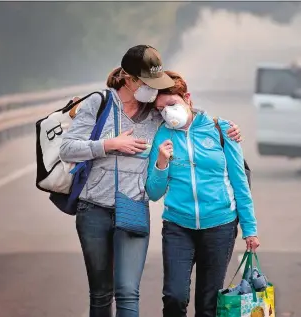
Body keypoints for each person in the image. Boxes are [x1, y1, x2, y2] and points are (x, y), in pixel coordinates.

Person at [60, 45, 242, 317]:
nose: (152, 89)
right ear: (127, 78)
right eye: (147, 82)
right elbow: (67, 149)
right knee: (100, 293)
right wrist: (109, 144)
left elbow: (185, 113)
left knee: (128, 291)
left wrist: (223, 126)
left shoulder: (155, 113)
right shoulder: (98, 103)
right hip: (93, 207)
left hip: (133, 206)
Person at [145, 71, 260, 317]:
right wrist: (161, 163)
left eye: (171, 104)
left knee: (208, 305)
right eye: (160, 109)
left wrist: (250, 229)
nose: (167, 112)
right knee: (174, 298)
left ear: (187, 98)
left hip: (220, 226)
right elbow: (154, 193)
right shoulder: (162, 135)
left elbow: (240, 182)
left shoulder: (222, 129)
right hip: (178, 226)